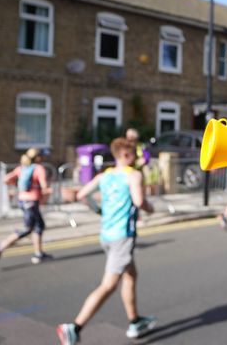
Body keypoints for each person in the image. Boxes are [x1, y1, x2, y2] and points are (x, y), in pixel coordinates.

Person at [56, 138, 156, 344]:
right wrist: (150, 208)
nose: (137, 158)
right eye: (135, 155)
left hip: (107, 234)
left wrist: (99, 210)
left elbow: (82, 195)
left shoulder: (104, 176)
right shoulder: (134, 175)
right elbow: (139, 201)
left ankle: (135, 321)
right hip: (122, 236)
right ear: (126, 155)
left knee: (130, 276)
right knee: (109, 285)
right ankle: (74, 328)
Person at [0, 148, 53, 266]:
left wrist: (17, 185)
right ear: (38, 158)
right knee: (27, 229)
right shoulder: (39, 169)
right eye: (42, 156)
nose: (44, 158)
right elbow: (45, 188)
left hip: (23, 201)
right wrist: (50, 190)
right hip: (32, 202)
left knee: (39, 226)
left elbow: (6, 179)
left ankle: (38, 254)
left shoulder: (22, 168)